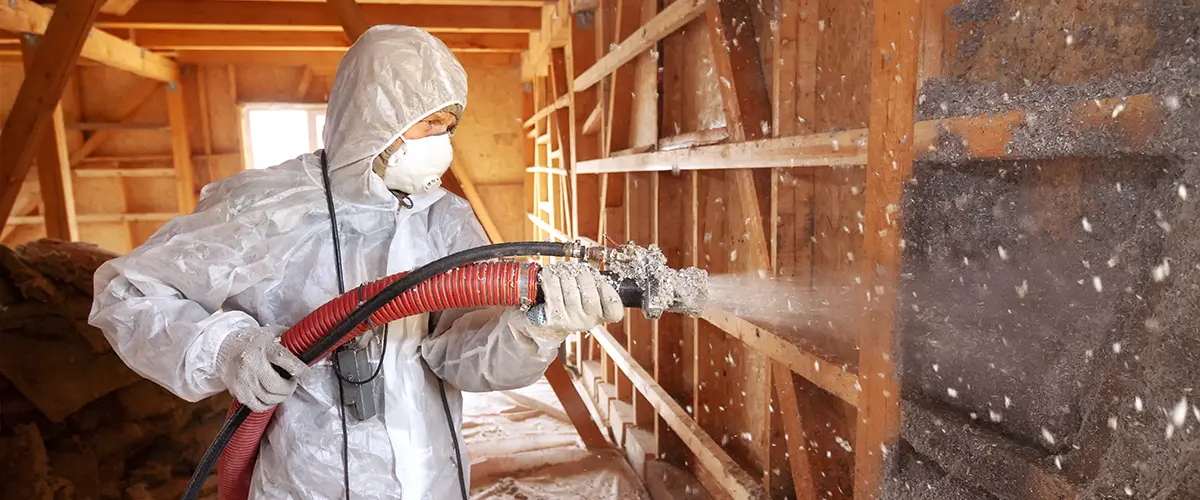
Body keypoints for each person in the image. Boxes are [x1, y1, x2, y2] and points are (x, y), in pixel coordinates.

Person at [89, 25, 623, 499]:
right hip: (310, 483)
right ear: (376, 118)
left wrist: (535, 329)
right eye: (427, 123)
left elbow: (459, 356)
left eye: (448, 126)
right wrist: (230, 349)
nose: (441, 143)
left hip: (433, 481)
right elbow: (127, 294)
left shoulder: (444, 219)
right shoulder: (267, 208)